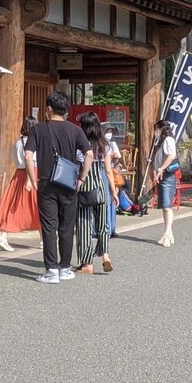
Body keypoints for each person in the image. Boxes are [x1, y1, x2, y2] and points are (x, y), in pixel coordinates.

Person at [25, 91, 93, 283]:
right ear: (66, 110)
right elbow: (89, 154)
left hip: (46, 184)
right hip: (69, 184)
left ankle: (51, 271)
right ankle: (65, 268)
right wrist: (82, 178)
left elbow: (29, 156)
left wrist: (33, 178)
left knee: (49, 227)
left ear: (48, 109)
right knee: (66, 227)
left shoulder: (38, 129)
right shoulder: (75, 130)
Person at [75, 112, 117, 274]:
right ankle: (105, 254)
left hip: (85, 186)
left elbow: (78, 165)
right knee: (103, 224)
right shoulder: (104, 144)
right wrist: (113, 192)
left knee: (84, 224)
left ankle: (87, 263)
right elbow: (108, 170)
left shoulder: (80, 144)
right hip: (101, 186)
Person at [0, 115, 39, 252]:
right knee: (37, 206)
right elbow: (32, 161)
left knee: (12, 204)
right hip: (32, 174)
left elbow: (14, 158)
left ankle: (3, 236)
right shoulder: (34, 142)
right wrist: (30, 180)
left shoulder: (18, 142)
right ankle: (45, 239)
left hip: (18, 174)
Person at [148, 118, 178, 247]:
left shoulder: (168, 140)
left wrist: (161, 169)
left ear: (161, 129)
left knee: (167, 206)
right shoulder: (163, 142)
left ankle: (167, 233)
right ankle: (168, 232)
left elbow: (172, 156)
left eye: (157, 130)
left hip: (168, 176)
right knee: (165, 206)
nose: (156, 132)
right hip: (163, 176)